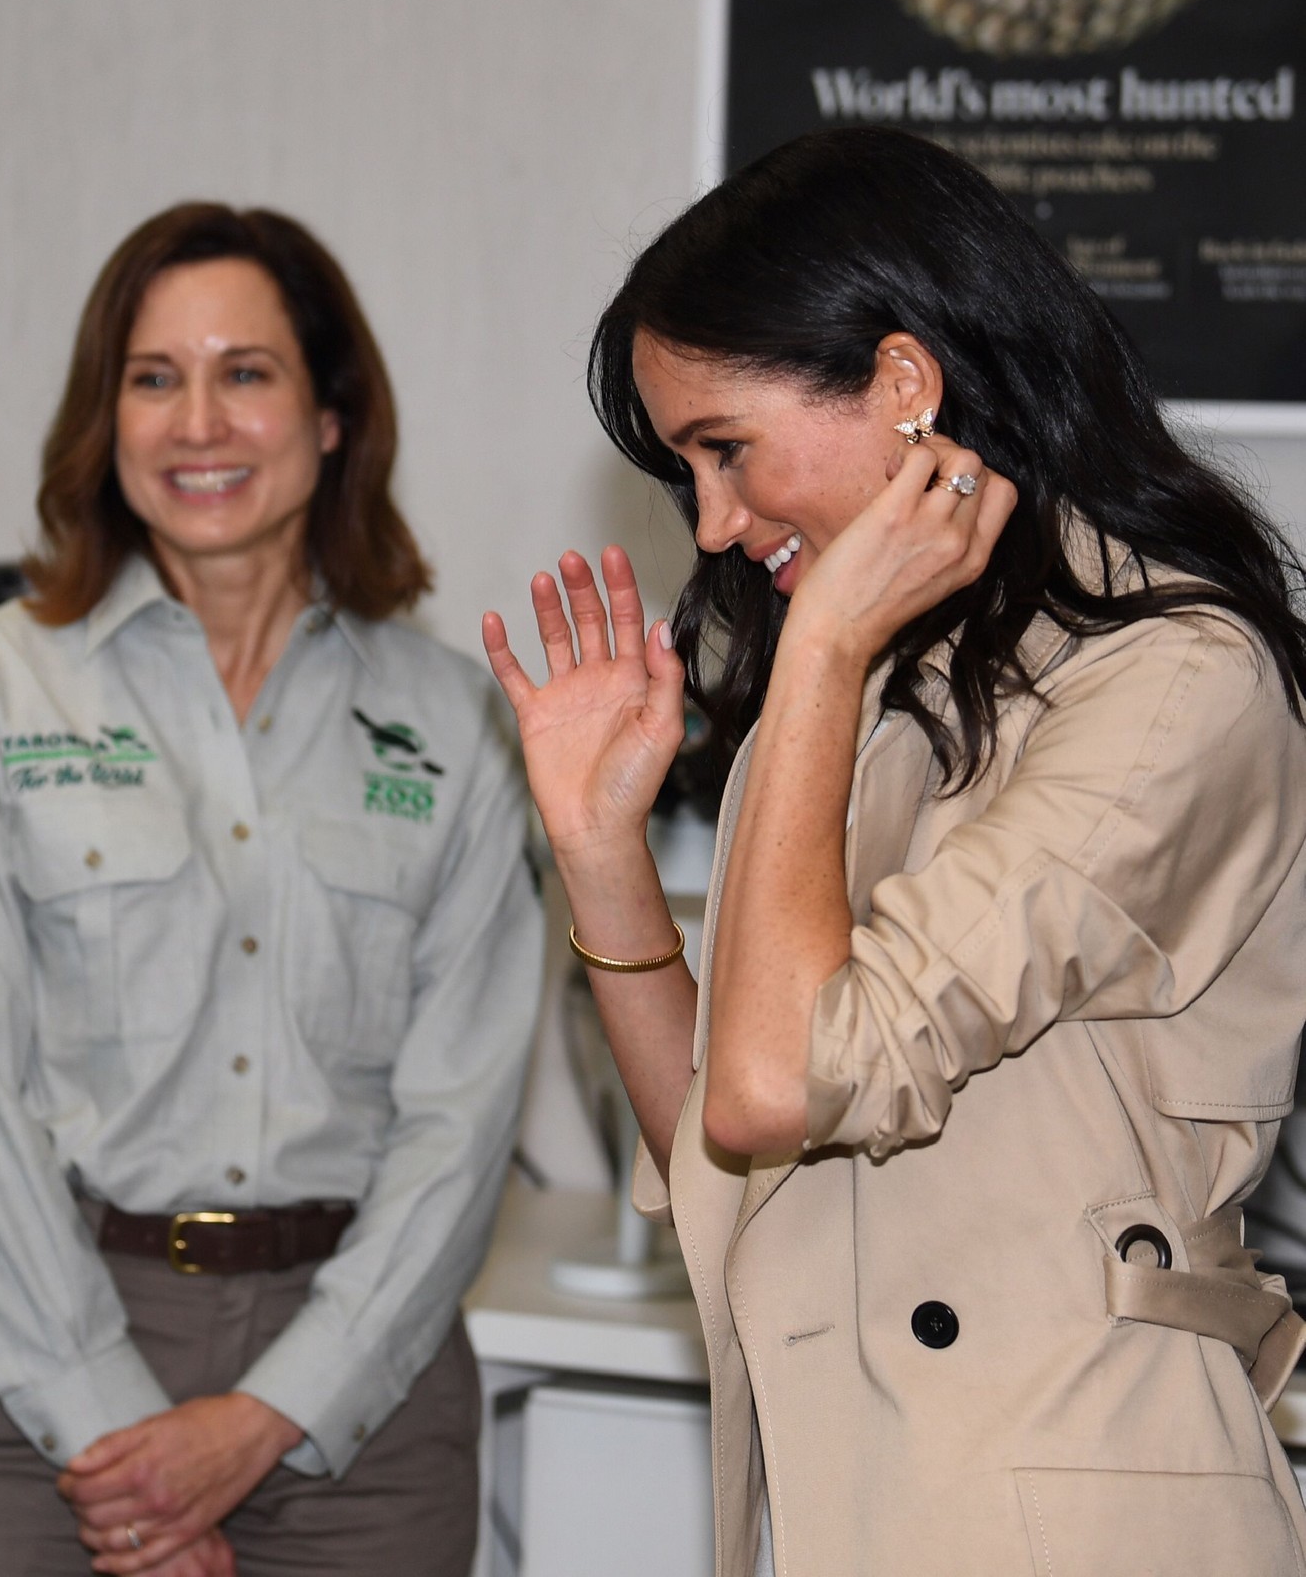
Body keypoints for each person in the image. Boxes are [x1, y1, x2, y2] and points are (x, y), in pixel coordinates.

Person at [483, 125, 1306, 1575]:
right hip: (855, 1495)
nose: (715, 525)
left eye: (725, 450)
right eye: (687, 473)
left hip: (1070, 1507)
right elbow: (727, 1152)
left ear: (905, 383)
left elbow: (778, 1080)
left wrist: (813, 657)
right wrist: (600, 851)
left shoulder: (1174, 677)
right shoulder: (867, 692)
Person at [0, 203, 544, 1577]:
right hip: (29, 1354)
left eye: (246, 373)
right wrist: (119, 1441)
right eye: (152, 378)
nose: (198, 425)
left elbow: (462, 1120)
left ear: (332, 414)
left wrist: (275, 1411)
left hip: (361, 1377)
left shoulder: (459, 723)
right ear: (103, 420)